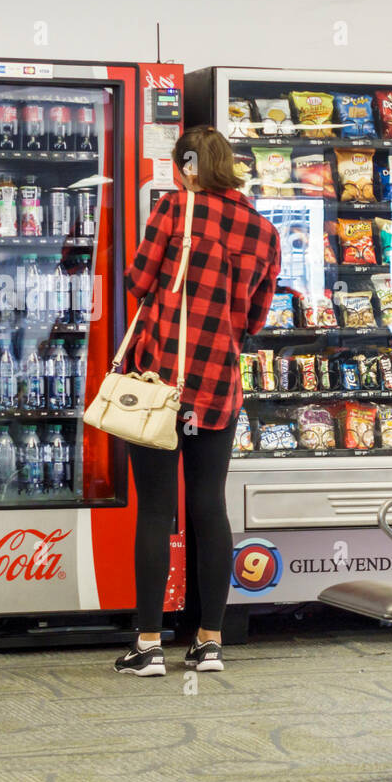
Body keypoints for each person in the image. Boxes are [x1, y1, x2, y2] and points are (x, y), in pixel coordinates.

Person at [114, 125, 280, 677]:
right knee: (209, 505)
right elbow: (255, 318)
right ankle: (209, 642)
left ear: (187, 165)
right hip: (219, 385)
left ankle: (148, 645)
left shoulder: (173, 210)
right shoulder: (264, 230)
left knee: (157, 509)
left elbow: (137, 282)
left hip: (160, 380)